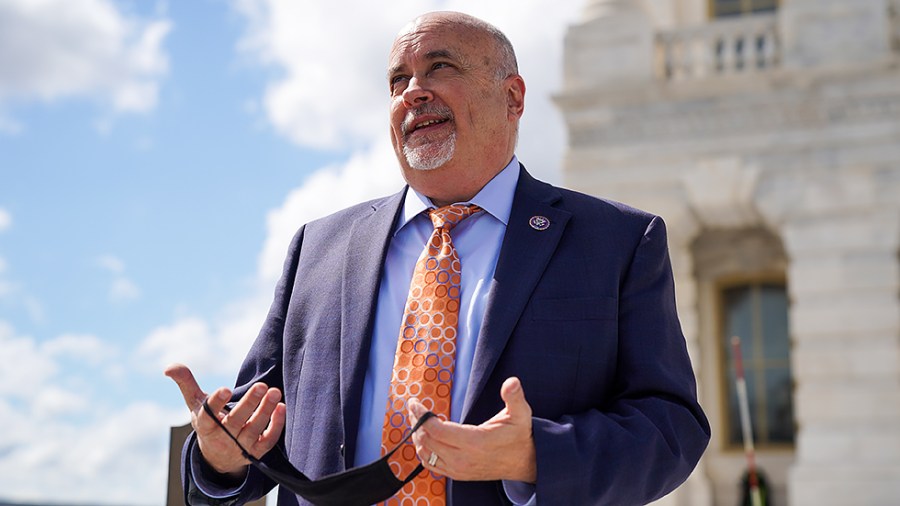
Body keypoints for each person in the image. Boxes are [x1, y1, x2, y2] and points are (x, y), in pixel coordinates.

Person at [167, 10, 710, 506]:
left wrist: (537, 456)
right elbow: (254, 431)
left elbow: (670, 427)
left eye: (439, 67)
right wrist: (218, 459)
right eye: (397, 81)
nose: (413, 93)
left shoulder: (616, 241)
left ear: (513, 97)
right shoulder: (318, 249)